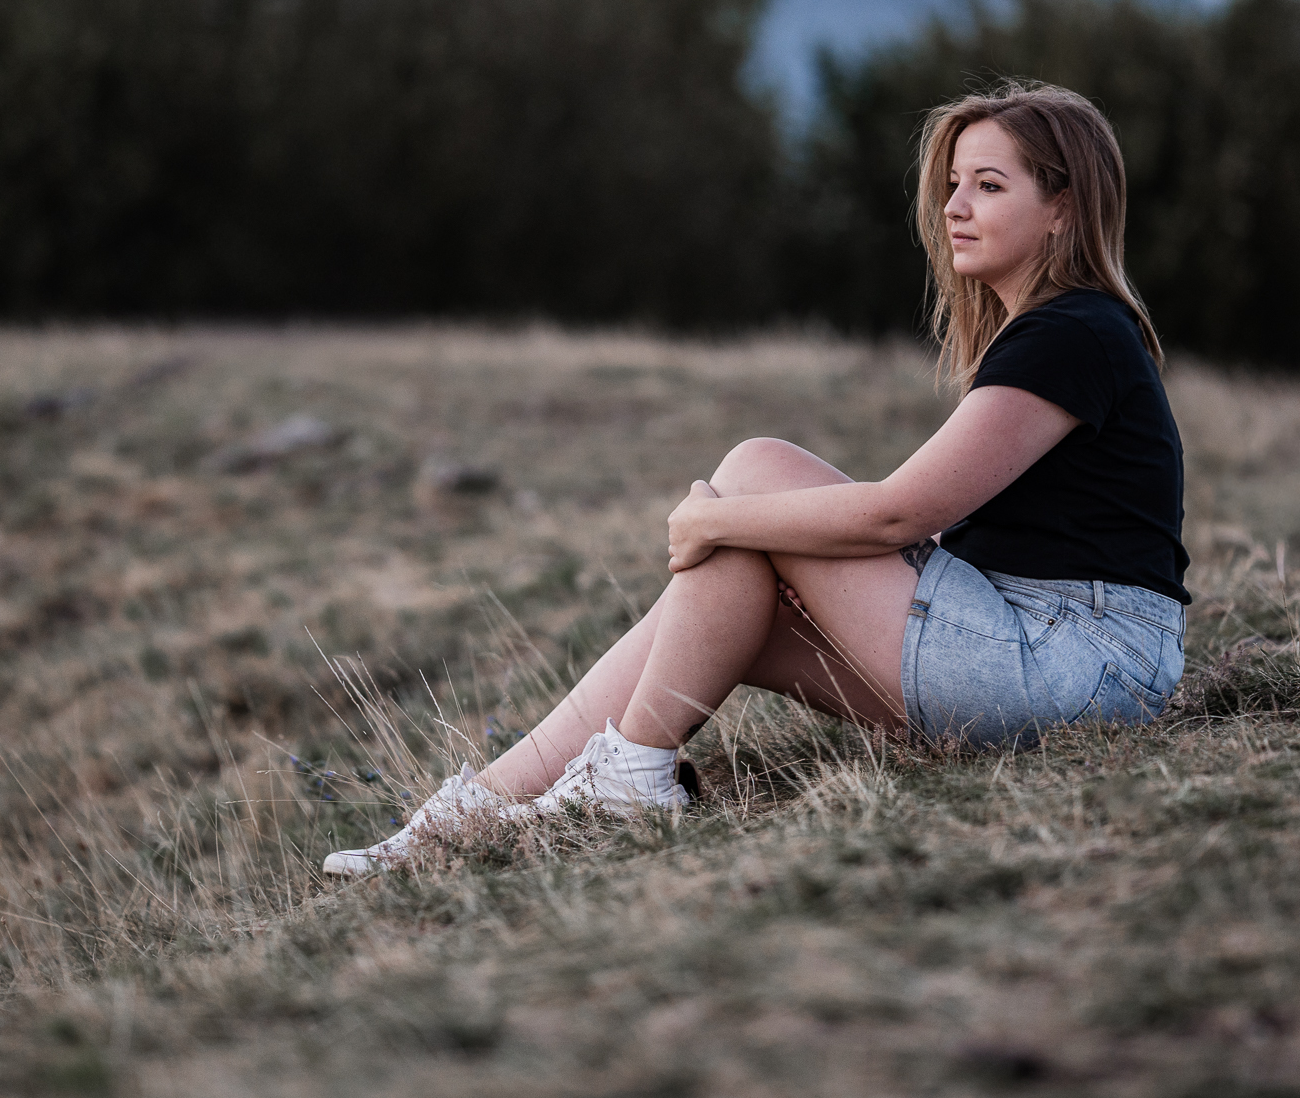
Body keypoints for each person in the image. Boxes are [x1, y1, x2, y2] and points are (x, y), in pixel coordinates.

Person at [323, 82, 1190, 875]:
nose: (954, 207)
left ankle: (619, 780)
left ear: (1063, 208)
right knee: (729, 584)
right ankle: (457, 822)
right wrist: (736, 535)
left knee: (752, 474)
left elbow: (900, 517)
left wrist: (713, 521)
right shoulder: (1053, 332)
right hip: (1038, 657)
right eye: (954, 183)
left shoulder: (1074, 332)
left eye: (989, 187)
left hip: (1075, 666)